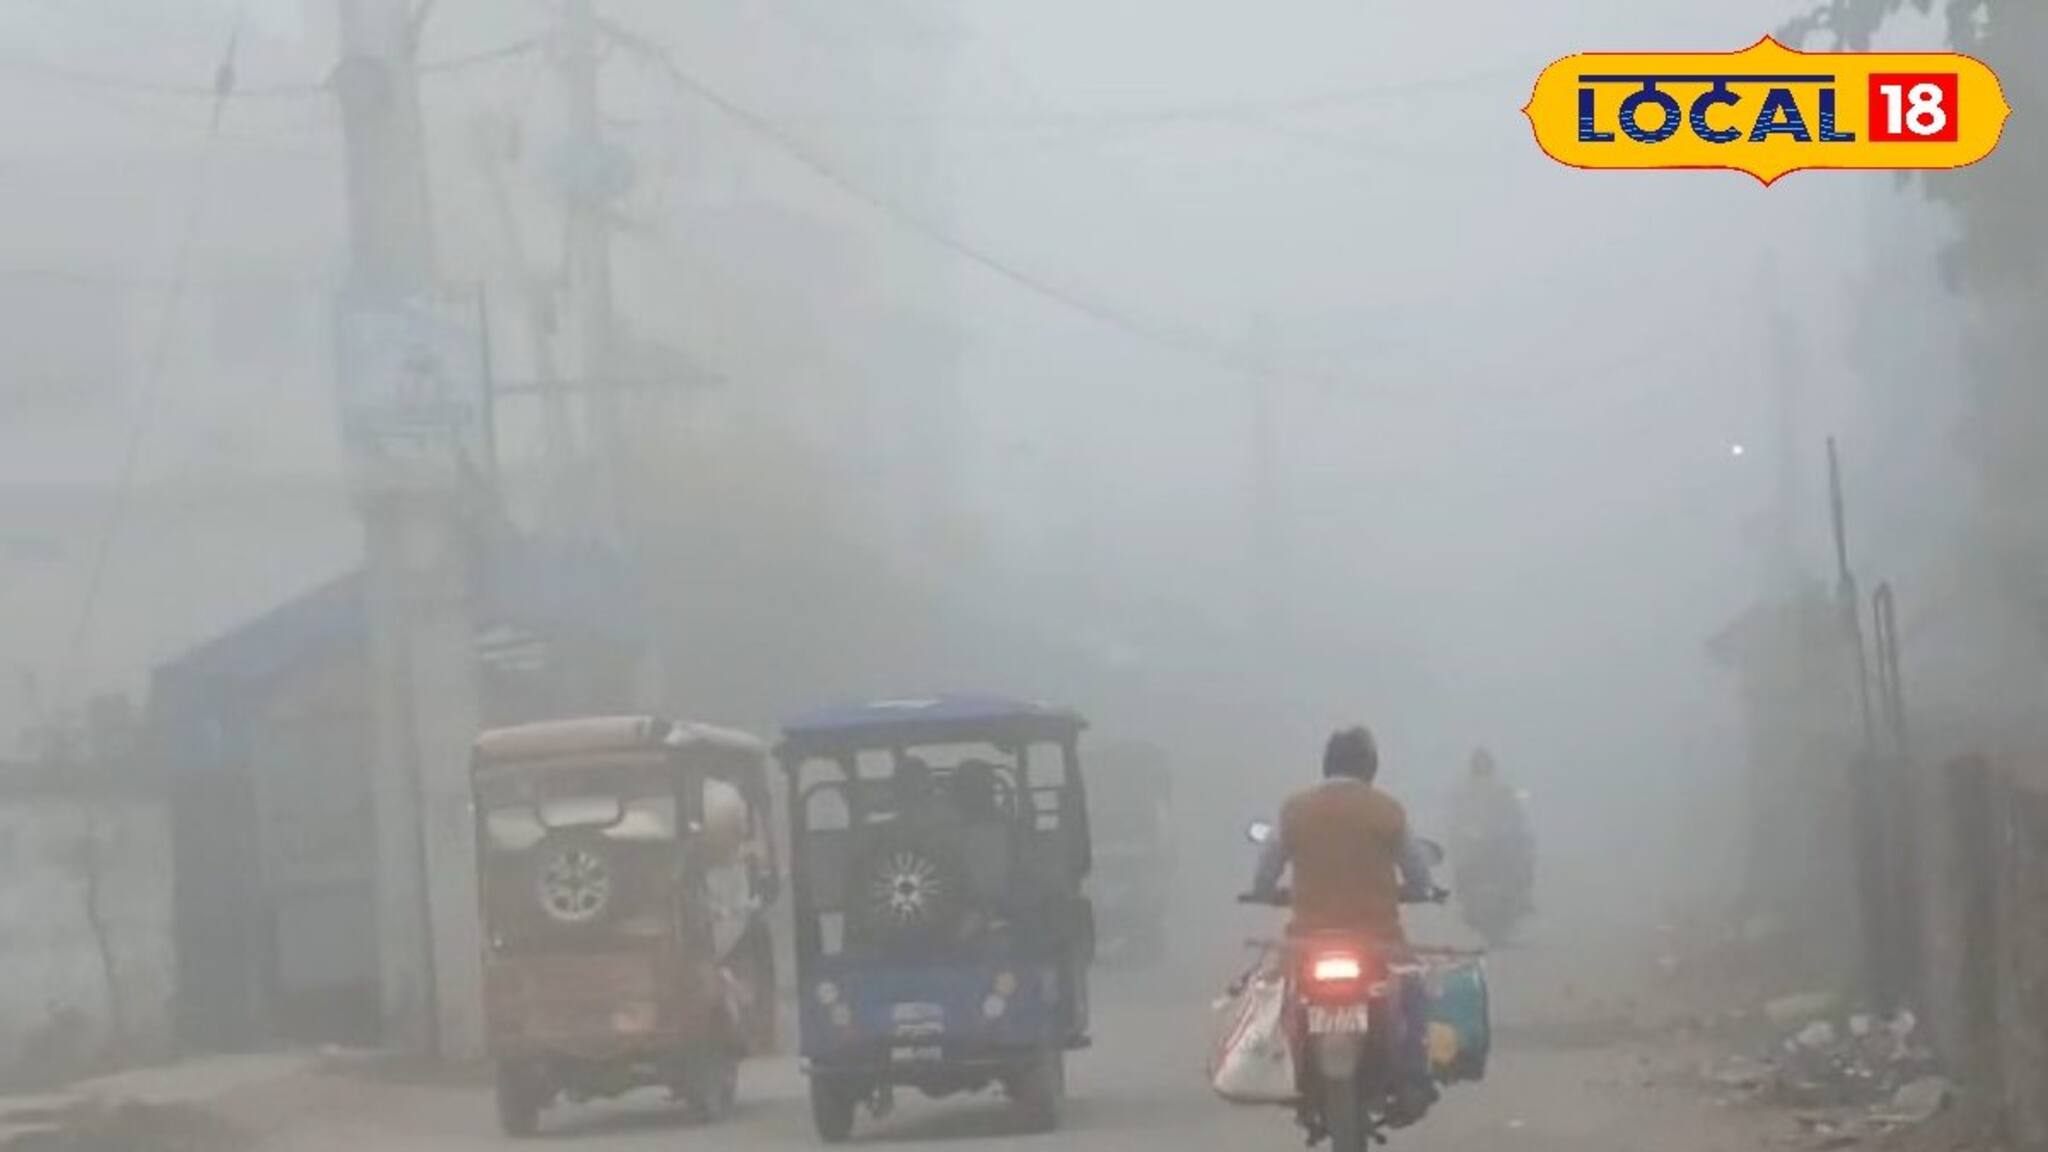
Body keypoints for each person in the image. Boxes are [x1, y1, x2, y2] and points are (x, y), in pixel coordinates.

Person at [1250, 725, 1440, 1126]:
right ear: (1370, 768)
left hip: (1307, 942)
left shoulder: (1295, 810)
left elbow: (1266, 870)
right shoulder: (1386, 810)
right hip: (1378, 941)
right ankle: (1413, 1078)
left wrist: (1265, 891)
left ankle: (1286, 1068)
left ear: (1326, 765)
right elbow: (1419, 873)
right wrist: (1424, 890)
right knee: (1413, 993)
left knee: (1280, 994)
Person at [1448, 748, 1534, 914]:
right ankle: (1463, 895)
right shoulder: (1464, 791)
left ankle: (1524, 894)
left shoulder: (1503, 788)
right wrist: (1461, 829)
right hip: (1474, 840)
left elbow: (1517, 813)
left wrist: (1511, 826)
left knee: (1526, 849)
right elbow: (1455, 816)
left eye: (1485, 766)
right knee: (1461, 858)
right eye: (1479, 766)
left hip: (1501, 838)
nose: (1482, 770)